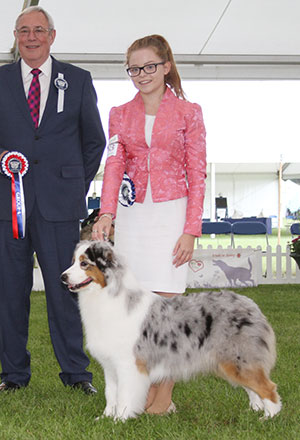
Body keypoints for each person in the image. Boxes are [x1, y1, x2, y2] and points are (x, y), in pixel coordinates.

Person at [92, 35, 206, 414]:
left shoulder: (190, 112)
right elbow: (114, 166)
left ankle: (163, 398)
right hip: (135, 216)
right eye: (134, 69)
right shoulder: (119, 114)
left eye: (149, 67)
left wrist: (191, 229)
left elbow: (197, 172)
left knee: (169, 313)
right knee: (138, 311)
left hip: (173, 215)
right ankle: (139, 393)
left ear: (166, 66)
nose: (141, 75)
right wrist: (107, 212)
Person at [0, 6, 106, 393]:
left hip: (61, 207)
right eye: (24, 30)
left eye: (38, 30)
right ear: (15, 35)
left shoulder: (77, 80)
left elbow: (94, 140)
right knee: (9, 293)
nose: (31, 37)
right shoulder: (0, 80)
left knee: (66, 292)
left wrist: (71, 183)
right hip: (7, 207)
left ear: (52, 35)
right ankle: (13, 374)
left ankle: (76, 375)